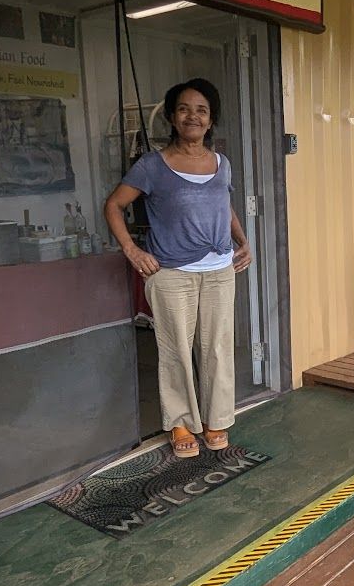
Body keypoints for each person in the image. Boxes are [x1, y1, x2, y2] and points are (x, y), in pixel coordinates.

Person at [104, 78, 253, 459]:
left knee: (218, 348)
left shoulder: (221, 163)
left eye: (201, 110)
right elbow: (114, 205)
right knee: (176, 351)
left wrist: (242, 240)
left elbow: (225, 206)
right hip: (171, 273)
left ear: (210, 119)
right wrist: (132, 250)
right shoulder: (152, 166)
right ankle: (182, 423)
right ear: (172, 116)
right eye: (185, 108)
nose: (193, 116)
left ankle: (217, 418)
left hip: (220, 269)